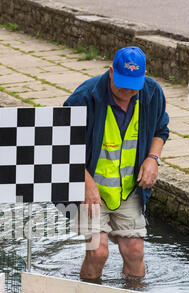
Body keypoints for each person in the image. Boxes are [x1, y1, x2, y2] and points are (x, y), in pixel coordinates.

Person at [64, 46, 169, 280]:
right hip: (90, 187)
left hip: (128, 188)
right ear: (111, 72)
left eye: (134, 87)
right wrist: (85, 182)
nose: (128, 93)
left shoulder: (152, 93)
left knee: (135, 250)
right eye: (122, 85)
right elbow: (62, 145)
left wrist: (153, 159)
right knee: (98, 251)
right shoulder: (84, 98)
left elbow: (161, 129)